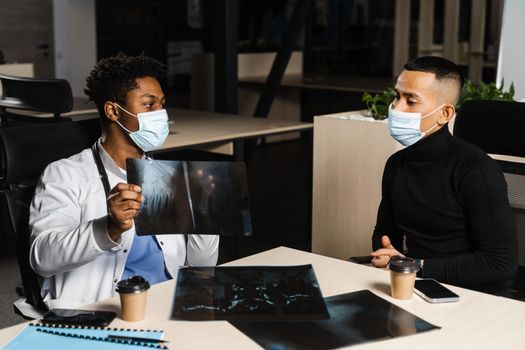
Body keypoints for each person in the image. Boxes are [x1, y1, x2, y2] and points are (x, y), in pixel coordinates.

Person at [29, 53, 219, 309]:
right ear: (113, 111)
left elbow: (202, 266)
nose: (161, 114)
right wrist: (109, 228)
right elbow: (42, 258)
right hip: (106, 311)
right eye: (149, 105)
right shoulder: (65, 174)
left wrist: (202, 213)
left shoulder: (169, 177)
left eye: (162, 105)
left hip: (168, 302)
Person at [371, 56, 517, 294]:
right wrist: (387, 256)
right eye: (397, 96)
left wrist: (415, 266)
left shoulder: (476, 170)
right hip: (417, 284)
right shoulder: (396, 164)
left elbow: (500, 265)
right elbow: (386, 233)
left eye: (411, 100)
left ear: (445, 114)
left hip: (472, 296)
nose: (397, 108)